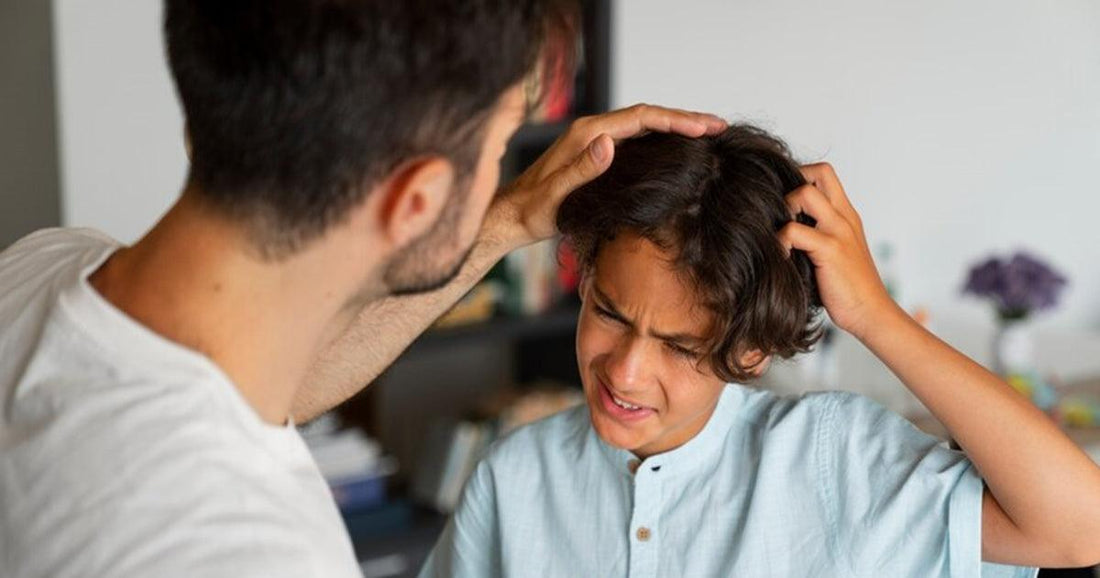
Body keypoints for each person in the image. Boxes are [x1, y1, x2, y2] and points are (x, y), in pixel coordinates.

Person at [0, 2, 727, 577]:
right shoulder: (260, 555)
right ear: (415, 203)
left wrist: (505, 221)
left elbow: (259, 388)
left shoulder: (42, 269)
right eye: (500, 146)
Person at [418, 125, 1100, 577]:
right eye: (608, 312)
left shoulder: (831, 459)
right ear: (585, 276)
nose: (625, 370)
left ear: (749, 353)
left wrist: (875, 318)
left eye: (682, 347)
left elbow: (1079, 528)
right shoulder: (515, 479)